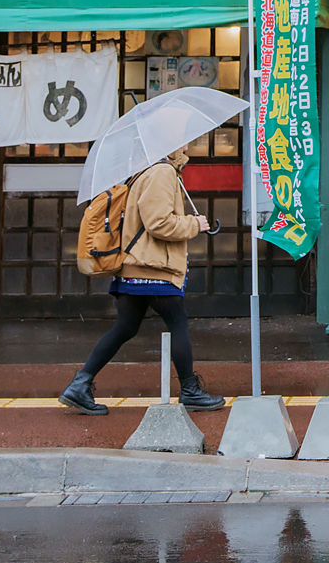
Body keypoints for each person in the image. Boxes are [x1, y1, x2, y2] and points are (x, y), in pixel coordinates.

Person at [58, 145, 223, 415]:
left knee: (125, 328)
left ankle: (80, 384)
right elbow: (159, 223)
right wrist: (195, 224)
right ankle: (190, 391)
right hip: (152, 268)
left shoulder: (144, 172)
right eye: (183, 143)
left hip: (134, 269)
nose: (187, 147)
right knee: (177, 322)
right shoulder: (161, 172)